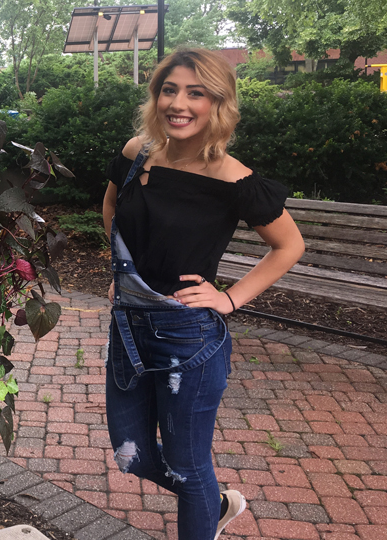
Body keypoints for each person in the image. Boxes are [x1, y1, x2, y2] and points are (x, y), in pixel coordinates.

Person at [101, 48, 305, 540]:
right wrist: (123, 270)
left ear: (219, 104)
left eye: (197, 93)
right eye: (170, 89)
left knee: (187, 468)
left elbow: (289, 245)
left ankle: (203, 505)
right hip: (127, 324)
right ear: (156, 96)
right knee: (132, 455)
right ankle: (214, 503)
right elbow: (110, 206)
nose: (180, 103)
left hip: (186, 336)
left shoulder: (232, 179)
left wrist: (229, 299)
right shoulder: (137, 153)